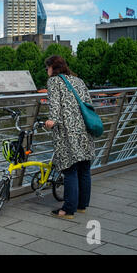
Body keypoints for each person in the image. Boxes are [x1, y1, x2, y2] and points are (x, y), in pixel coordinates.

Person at [44, 55, 95, 219]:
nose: (47, 71)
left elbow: (55, 105)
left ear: (52, 67)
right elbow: (88, 102)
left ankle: (68, 209)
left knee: (70, 169)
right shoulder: (78, 80)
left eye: (47, 68)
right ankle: (82, 205)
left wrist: (51, 121)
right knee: (84, 168)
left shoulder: (54, 81)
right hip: (85, 130)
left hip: (68, 131)